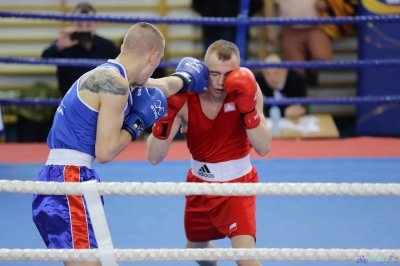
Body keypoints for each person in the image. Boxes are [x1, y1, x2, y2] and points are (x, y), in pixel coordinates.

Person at [32, 22, 209, 266]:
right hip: (69, 181)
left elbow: (163, 86)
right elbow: (105, 152)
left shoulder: (111, 75)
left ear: (125, 47)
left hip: (65, 178)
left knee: (103, 262)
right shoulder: (117, 86)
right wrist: (137, 123)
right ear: (154, 57)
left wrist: (187, 79)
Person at [146, 40, 272, 266]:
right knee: (197, 252)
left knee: (245, 259)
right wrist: (165, 119)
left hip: (238, 186)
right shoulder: (185, 98)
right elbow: (154, 157)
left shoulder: (247, 90)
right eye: (214, 73)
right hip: (200, 186)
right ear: (204, 70)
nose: (222, 82)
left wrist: (249, 112)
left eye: (229, 74)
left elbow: (263, 148)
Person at [41, 2, 120, 96]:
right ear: (72, 23)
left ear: (96, 24)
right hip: (70, 100)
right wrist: (59, 46)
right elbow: (44, 58)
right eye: (79, 25)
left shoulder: (107, 46)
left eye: (88, 25)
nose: (84, 30)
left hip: (100, 101)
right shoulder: (63, 44)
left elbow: (119, 72)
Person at [273, 0, 333, 86]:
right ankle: (303, 91)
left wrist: (325, 4)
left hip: (315, 26)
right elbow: (269, 3)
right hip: (290, 29)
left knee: (323, 57)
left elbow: (331, 3)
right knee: (297, 70)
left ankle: (311, 72)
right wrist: (270, 29)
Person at [191, 0, 266, 57]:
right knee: (212, 70)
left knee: (238, 68)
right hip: (212, 30)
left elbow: (257, 4)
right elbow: (197, 4)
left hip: (237, 31)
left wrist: (244, 14)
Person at [254, 53, 307, 118]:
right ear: (262, 72)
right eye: (268, 73)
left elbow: (299, 110)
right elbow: (256, 111)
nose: (272, 78)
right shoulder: (257, 82)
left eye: (277, 73)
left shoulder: (298, 81)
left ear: (285, 71)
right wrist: (284, 112)